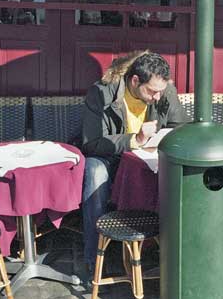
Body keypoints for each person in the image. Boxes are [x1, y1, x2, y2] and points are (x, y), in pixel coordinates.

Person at [80, 51, 189, 272]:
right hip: (111, 158)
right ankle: (94, 257)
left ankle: (168, 249)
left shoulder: (164, 91)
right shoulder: (101, 93)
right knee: (94, 172)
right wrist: (135, 139)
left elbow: (181, 127)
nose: (157, 97)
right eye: (152, 91)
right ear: (135, 80)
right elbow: (91, 143)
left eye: (161, 91)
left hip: (147, 157)